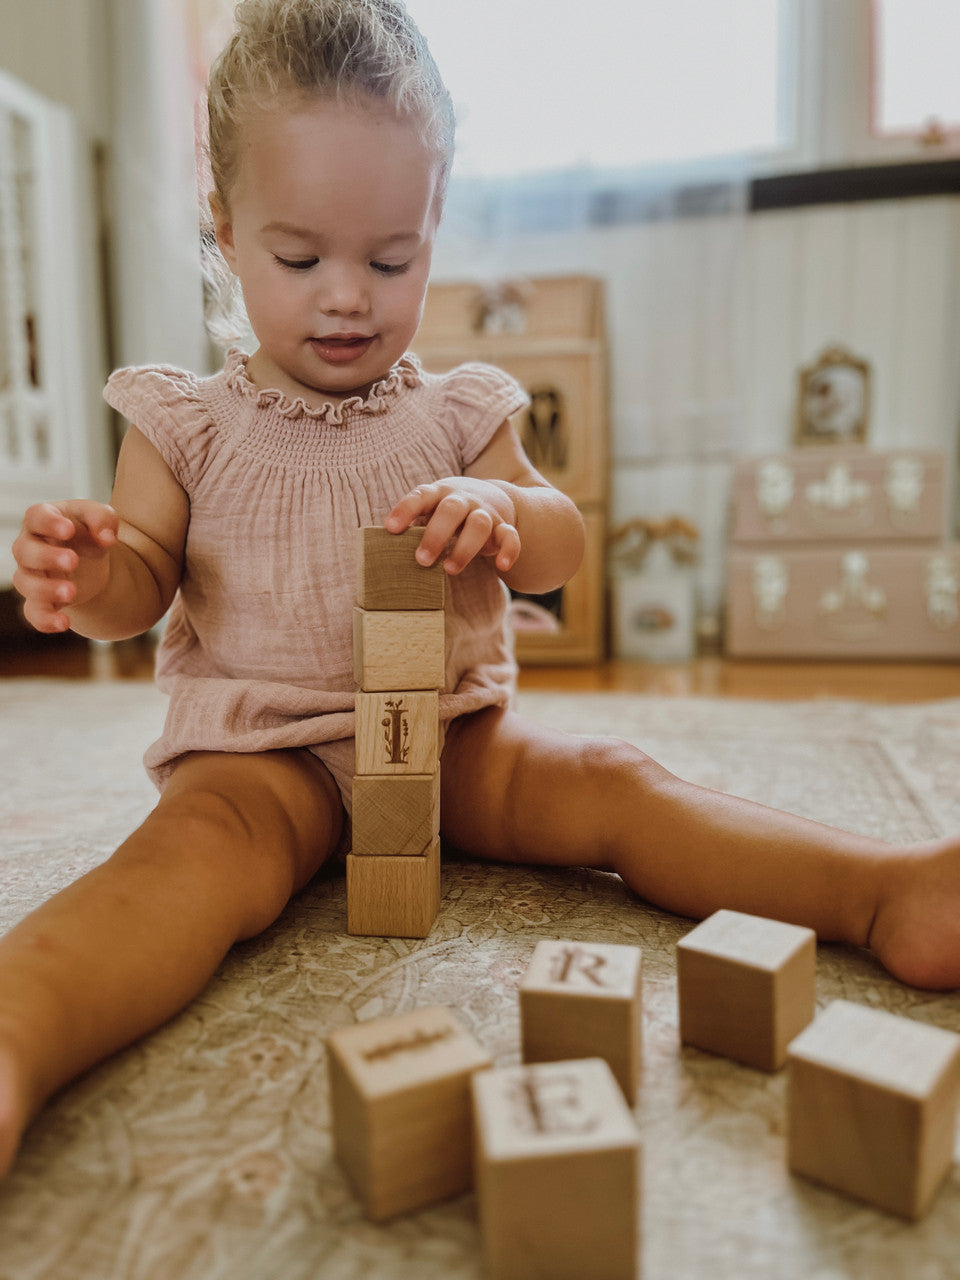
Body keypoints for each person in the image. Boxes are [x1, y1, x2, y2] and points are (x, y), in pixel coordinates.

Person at [4, 0, 960, 1180]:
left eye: (390, 257)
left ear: (435, 222)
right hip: (263, 760)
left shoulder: (459, 409)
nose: (346, 295)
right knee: (179, 867)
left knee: (616, 782)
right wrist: (89, 575)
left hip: (452, 742)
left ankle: (886, 891)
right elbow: (139, 586)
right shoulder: (181, 422)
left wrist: (504, 509)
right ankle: (16, 1038)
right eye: (299, 257)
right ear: (225, 224)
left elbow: (558, 543)